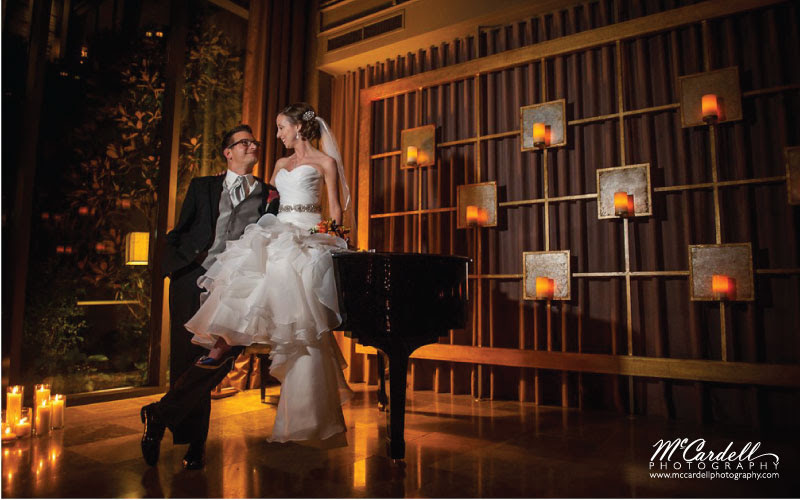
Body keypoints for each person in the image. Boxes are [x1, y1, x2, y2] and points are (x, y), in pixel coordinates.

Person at [184, 102, 354, 443]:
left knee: (303, 316)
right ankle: (220, 346)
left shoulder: (325, 162)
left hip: (311, 234)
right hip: (279, 230)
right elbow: (267, 200)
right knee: (247, 282)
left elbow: (334, 206)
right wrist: (231, 182)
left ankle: (308, 411)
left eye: (281, 127)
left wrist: (336, 238)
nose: (277, 135)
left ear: (298, 128)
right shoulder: (279, 164)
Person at [140, 124, 280, 470]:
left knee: (219, 357)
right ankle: (195, 444)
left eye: (254, 142)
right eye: (243, 142)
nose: (252, 146)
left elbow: (275, 231)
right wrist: (173, 266)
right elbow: (181, 229)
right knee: (188, 358)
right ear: (228, 152)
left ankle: (159, 415)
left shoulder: (269, 193)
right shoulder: (202, 186)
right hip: (192, 277)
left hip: (234, 284)